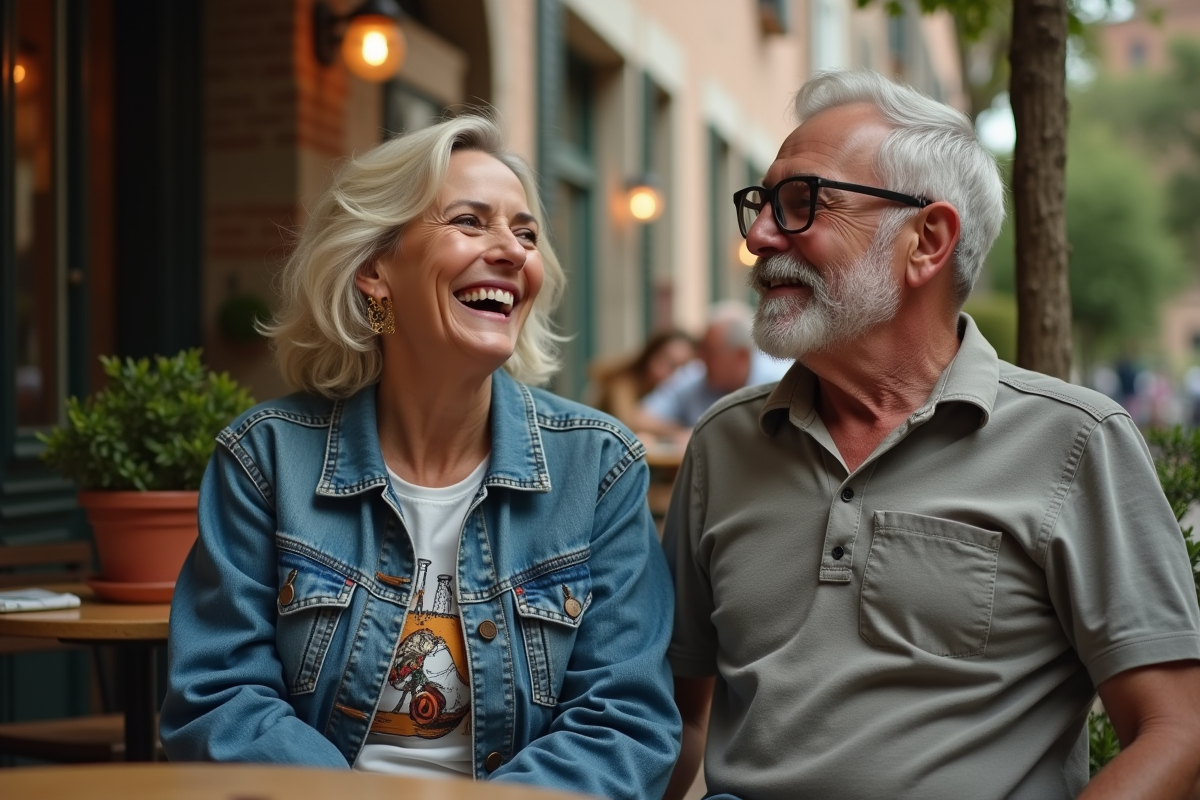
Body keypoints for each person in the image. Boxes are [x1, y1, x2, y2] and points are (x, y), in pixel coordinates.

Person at [663, 70, 1200, 800]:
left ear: (928, 240)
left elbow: (1178, 728)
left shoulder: (1074, 441)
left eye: (800, 203)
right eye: (761, 206)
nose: (758, 237)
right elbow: (677, 722)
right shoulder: (723, 444)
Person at [160, 115, 681, 800]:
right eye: (470, 221)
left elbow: (626, 722)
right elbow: (218, 700)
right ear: (376, 271)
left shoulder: (598, 468)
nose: (512, 251)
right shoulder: (265, 460)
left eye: (525, 233)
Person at [636, 301, 789, 440]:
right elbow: (640, 418)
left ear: (740, 356)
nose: (701, 359)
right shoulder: (695, 376)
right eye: (701, 349)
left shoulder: (782, 383)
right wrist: (682, 434)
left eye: (710, 353)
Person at [587, 328, 696, 429]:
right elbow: (628, 423)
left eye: (681, 368)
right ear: (650, 353)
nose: (672, 374)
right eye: (666, 360)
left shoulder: (680, 392)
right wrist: (676, 430)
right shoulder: (622, 383)